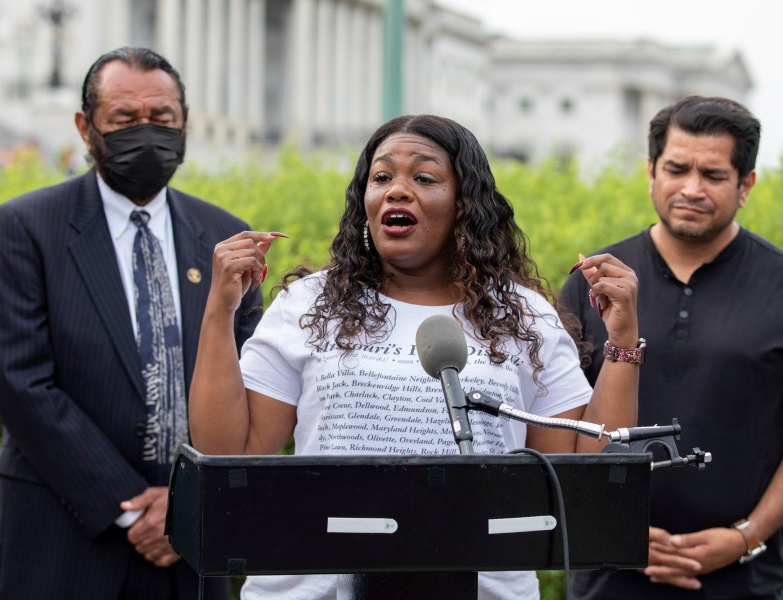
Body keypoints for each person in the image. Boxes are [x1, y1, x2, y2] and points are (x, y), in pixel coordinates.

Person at [188, 114, 642, 599]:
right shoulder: (309, 306)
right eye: (381, 177)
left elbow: (580, 474)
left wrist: (623, 341)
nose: (397, 190)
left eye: (423, 178)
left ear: (465, 204)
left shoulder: (524, 317)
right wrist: (220, 310)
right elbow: (228, 452)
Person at [0, 47, 262, 599]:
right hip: (62, 532)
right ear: (87, 128)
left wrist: (184, 501)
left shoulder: (224, 236)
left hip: (189, 542)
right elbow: (20, 381)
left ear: (184, 123)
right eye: (124, 120)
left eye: (162, 119)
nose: (147, 133)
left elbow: (248, 380)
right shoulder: (27, 227)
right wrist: (130, 508)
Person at [561, 96, 783, 599]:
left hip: (741, 580)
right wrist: (610, 527)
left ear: (746, 184)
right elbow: (559, 434)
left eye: (713, 175)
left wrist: (746, 536)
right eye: (676, 168)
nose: (691, 188)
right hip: (608, 576)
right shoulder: (597, 283)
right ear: (651, 171)